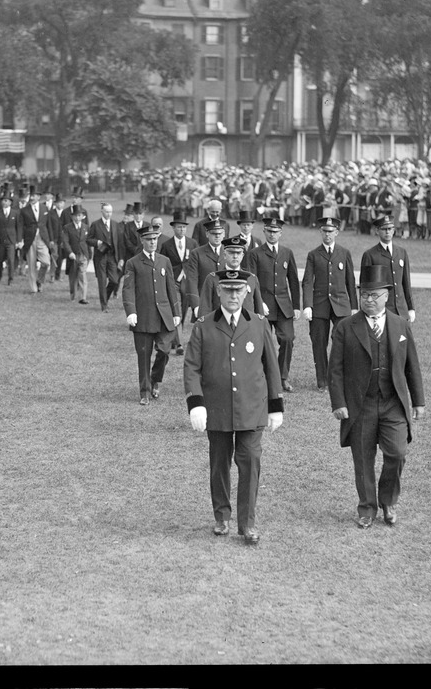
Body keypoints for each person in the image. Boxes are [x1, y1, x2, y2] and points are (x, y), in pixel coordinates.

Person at [184, 269, 283, 545]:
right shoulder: (203, 325)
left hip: (252, 409)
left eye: (238, 290)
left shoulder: (259, 323)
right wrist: (196, 404)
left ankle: (247, 524)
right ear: (218, 291)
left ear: (247, 292)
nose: (233, 295)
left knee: (250, 462)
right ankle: (221, 515)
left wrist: (276, 406)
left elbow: (271, 366)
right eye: (227, 290)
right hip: (216, 409)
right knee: (219, 464)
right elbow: (191, 366)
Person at [328, 264, 424, 529]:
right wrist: (339, 403)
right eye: (364, 295)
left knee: (397, 452)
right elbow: (334, 369)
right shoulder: (346, 328)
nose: (368, 300)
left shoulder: (400, 325)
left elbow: (411, 366)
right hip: (362, 405)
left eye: (374, 295)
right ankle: (367, 508)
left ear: (386, 296)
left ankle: (388, 500)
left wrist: (418, 401)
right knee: (363, 458)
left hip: (393, 403)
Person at [122, 224, 181, 405]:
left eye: (155, 239)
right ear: (142, 241)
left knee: (164, 351)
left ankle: (156, 379)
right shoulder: (133, 263)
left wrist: (176, 312)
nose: (152, 242)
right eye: (148, 239)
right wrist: (131, 312)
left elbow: (171, 287)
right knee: (144, 356)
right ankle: (145, 392)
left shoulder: (164, 261)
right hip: (143, 317)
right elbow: (128, 290)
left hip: (164, 317)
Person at [243, 216, 301, 392]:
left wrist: (297, 306)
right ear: (264, 232)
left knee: (288, 339)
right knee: (261, 343)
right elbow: (251, 281)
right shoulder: (254, 254)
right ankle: (263, 376)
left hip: (284, 306)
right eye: (269, 231)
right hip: (264, 306)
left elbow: (293, 280)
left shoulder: (286, 253)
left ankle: (282, 377)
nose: (272, 234)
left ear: (280, 233)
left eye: (275, 232)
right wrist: (258, 302)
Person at [301, 215, 358, 391]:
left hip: (341, 305)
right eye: (325, 231)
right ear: (320, 232)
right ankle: (322, 381)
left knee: (341, 340)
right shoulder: (313, 255)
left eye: (331, 231)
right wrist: (308, 305)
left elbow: (350, 280)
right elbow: (308, 281)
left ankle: (337, 377)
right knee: (319, 342)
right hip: (319, 305)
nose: (327, 235)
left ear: (337, 232)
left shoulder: (344, 253)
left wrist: (354, 307)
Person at [360, 214, 416, 323]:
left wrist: (410, 307)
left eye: (390, 229)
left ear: (394, 230)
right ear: (377, 231)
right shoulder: (370, 255)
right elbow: (364, 286)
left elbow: (406, 283)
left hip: (401, 310)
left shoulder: (401, 252)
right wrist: (365, 309)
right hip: (381, 309)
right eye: (384, 229)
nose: (387, 232)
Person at [158, 209, 198, 354]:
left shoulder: (192, 243)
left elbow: (195, 264)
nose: (181, 229)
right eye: (179, 227)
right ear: (173, 228)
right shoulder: (167, 245)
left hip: (188, 282)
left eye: (184, 227)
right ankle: (179, 344)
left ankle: (175, 338)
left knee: (184, 311)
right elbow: (162, 264)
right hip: (173, 281)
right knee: (177, 311)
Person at [197, 234, 264, 317]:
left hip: (246, 327)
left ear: (242, 256)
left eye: (238, 253)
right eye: (231, 253)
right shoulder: (213, 279)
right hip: (219, 326)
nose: (235, 256)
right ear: (224, 255)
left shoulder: (251, 279)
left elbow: (259, 311)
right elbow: (204, 309)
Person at [184, 218, 228, 318]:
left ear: (224, 234)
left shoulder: (229, 252)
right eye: (213, 233)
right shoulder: (197, 253)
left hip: (226, 304)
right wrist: (196, 305)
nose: (217, 236)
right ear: (207, 234)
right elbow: (192, 280)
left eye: (220, 233)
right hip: (205, 304)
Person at [87, 202, 126, 312]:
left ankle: (106, 297)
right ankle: (103, 306)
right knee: (102, 281)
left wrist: (121, 258)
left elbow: (120, 243)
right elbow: (88, 240)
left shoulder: (115, 225)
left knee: (114, 280)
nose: (109, 214)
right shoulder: (95, 224)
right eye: (107, 212)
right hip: (100, 257)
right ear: (102, 212)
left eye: (110, 212)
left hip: (112, 257)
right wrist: (97, 242)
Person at [19, 185, 52, 293]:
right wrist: (20, 240)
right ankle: (33, 289)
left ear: (38, 197)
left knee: (46, 263)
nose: (31, 198)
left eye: (33, 196)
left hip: (42, 238)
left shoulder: (44, 208)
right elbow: (20, 226)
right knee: (32, 265)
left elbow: (48, 225)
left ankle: (40, 281)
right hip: (30, 239)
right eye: (30, 196)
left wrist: (50, 239)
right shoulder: (24, 210)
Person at [61, 204, 91, 304]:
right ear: (72, 216)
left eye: (79, 215)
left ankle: (83, 297)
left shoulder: (86, 227)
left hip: (83, 255)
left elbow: (88, 241)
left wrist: (89, 255)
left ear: (82, 216)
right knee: (73, 277)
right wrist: (70, 252)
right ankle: (73, 294)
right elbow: (65, 241)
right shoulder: (67, 228)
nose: (78, 218)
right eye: (76, 216)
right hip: (73, 255)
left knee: (82, 275)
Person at [0, 193, 21, 284]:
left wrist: (19, 240)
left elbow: (18, 227)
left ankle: (10, 279)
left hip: (11, 240)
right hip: (1, 240)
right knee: (0, 259)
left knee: (11, 260)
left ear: (10, 202)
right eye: (3, 200)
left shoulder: (15, 213)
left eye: (6, 200)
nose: (4, 202)